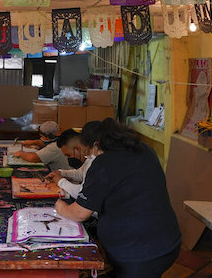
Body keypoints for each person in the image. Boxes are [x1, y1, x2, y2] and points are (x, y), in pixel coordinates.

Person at [55, 118, 181, 278]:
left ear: (96, 145)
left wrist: (61, 208)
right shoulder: (144, 149)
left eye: (89, 151)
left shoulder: (104, 163)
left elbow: (80, 213)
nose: (90, 156)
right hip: (167, 242)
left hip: (139, 252)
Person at [47, 121, 102, 199]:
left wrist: (60, 181)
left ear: (77, 149)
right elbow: (81, 174)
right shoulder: (90, 158)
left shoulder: (97, 160)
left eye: (69, 155)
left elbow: (83, 194)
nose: (69, 158)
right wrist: (61, 173)